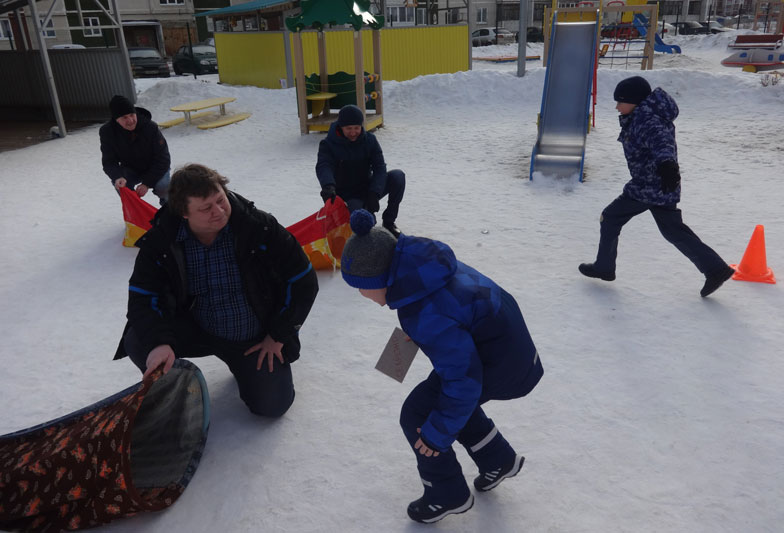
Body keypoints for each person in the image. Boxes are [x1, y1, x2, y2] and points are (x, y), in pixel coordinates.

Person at [340, 209, 544, 523]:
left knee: (420, 414)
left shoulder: (423, 311)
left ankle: (447, 493)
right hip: (507, 352)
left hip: (501, 365)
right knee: (448, 403)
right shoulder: (422, 269)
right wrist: (398, 356)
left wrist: (435, 436)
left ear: (380, 278)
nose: (361, 293)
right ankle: (497, 459)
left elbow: (463, 378)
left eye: (361, 286)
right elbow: (450, 319)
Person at [114, 164, 319, 418]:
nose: (219, 211)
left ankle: (246, 370)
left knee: (272, 407)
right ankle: (175, 390)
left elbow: (303, 280)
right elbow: (143, 297)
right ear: (183, 212)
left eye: (221, 200)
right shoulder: (163, 240)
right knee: (138, 339)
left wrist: (278, 334)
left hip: (252, 338)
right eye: (206, 208)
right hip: (195, 327)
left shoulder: (258, 227)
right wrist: (159, 342)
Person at [579, 76, 734, 297]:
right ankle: (715, 269)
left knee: (611, 217)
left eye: (620, 101)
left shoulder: (647, 120)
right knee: (673, 230)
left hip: (648, 186)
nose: (617, 107)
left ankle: (604, 267)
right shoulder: (641, 115)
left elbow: (663, 143)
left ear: (634, 101)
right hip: (659, 185)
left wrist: (668, 166)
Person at [315, 104, 405, 238]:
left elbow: (379, 167)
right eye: (348, 128)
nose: (353, 132)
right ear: (341, 127)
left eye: (356, 128)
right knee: (366, 224)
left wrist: (375, 192)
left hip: (367, 187)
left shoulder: (370, 140)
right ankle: (365, 214)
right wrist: (328, 185)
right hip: (348, 195)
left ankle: (389, 222)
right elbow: (324, 166)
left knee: (398, 176)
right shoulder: (328, 144)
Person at [100, 95, 171, 204]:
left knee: (163, 187)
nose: (130, 120)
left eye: (132, 115)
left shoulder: (150, 127)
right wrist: (117, 177)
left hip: (155, 167)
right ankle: (136, 210)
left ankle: (170, 210)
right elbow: (109, 161)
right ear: (116, 119)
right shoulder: (108, 132)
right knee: (121, 186)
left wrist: (147, 183)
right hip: (131, 169)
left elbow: (163, 158)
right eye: (124, 117)